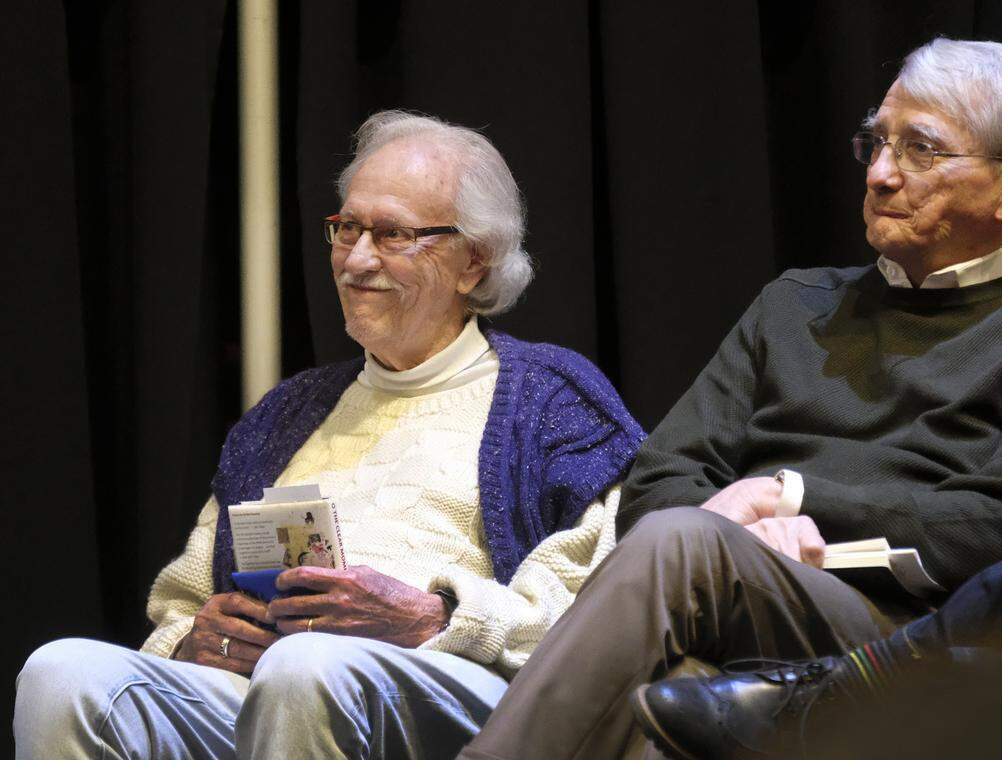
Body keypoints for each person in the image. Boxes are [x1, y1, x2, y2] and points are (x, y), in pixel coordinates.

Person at [457, 38, 1002, 760]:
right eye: (876, 144)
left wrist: (786, 498)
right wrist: (739, 533)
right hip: (734, 594)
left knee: (683, 550)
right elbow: (658, 482)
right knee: (665, 668)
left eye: (921, 150)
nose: (879, 174)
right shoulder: (793, 304)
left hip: (914, 637)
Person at [14, 111, 644, 759]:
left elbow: (597, 612)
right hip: (274, 684)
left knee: (308, 665)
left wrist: (436, 618)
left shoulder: (551, 397)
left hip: (467, 689)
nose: (356, 260)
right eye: (346, 228)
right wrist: (194, 637)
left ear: (473, 264)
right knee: (62, 672)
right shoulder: (284, 415)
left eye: (393, 234)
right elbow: (184, 598)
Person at [632, 450, 1002, 759]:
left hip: (905, 609)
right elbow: (653, 479)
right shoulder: (784, 304)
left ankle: (888, 675)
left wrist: (791, 499)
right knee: (680, 673)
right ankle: (899, 675)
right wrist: (738, 511)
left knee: (681, 538)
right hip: (768, 574)